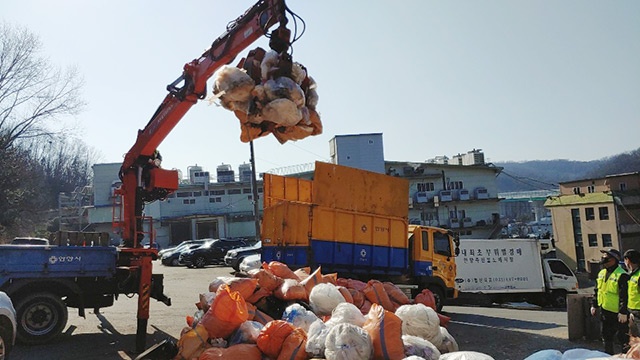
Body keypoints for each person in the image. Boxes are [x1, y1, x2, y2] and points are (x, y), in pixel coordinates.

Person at [591, 248, 629, 354]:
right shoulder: (602, 273)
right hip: (605, 310)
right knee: (606, 336)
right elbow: (597, 290)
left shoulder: (622, 275)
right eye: (603, 256)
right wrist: (594, 305)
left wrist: (623, 311)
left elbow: (625, 295)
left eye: (607, 257)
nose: (603, 258)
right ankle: (608, 356)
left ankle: (626, 357)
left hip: (618, 313)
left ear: (614, 259)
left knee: (623, 338)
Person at [624, 249, 640, 341]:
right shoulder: (633, 275)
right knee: (635, 340)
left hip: (638, 312)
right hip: (634, 312)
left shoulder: (638, 275)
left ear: (628, 260)